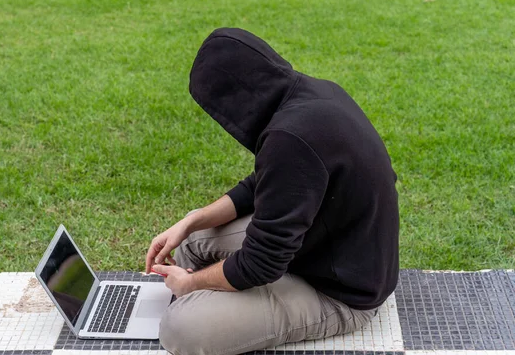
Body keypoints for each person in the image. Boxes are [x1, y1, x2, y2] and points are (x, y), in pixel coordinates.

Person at [145, 28, 399, 355]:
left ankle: (212, 300)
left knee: (180, 328)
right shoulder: (313, 97)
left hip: (344, 292)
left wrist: (190, 284)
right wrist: (191, 221)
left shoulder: (289, 138)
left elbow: (261, 263)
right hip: (327, 245)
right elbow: (262, 185)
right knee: (193, 242)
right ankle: (219, 297)